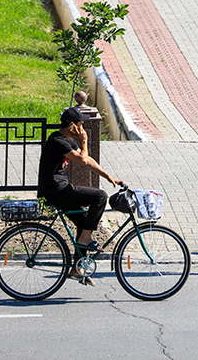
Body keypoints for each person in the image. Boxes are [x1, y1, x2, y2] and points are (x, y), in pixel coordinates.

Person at [37, 106, 122, 283]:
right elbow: (82, 159)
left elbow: (89, 160)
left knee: (84, 222)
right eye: (81, 124)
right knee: (100, 196)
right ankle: (85, 238)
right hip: (56, 191)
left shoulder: (67, 139)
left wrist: (109, 176)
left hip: (60, 189)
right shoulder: (57, 141)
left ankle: (77, 269)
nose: (82, 129)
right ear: (71, 126)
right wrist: (84, 141)